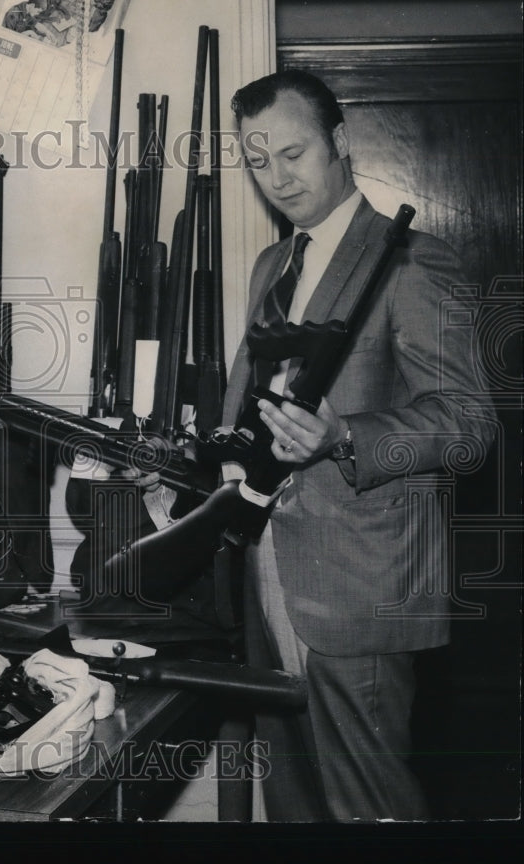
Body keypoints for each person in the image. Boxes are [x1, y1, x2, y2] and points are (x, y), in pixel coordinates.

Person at [222, 69, 496, 821]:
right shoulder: (272, 267)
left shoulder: (410, 261)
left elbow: (471, 423)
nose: (276, 177)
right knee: (295, 806)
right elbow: (251, 416)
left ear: (339, 143)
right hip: (266, 573)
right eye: (257, 159)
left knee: (368, 808)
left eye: (293, 153)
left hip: (363, 586)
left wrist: (347, 434)